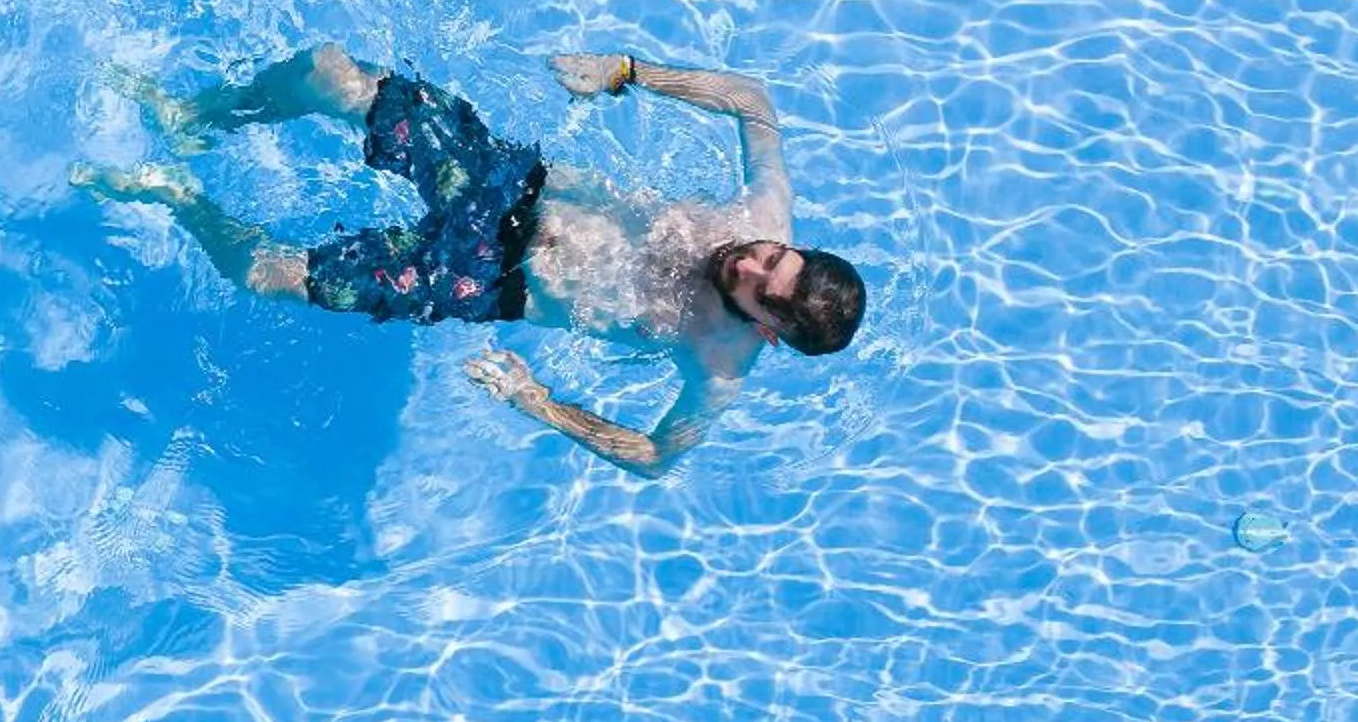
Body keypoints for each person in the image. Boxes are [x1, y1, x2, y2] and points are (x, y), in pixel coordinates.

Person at [75, 46, 865, 476]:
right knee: (329, 72)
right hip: (506, 181)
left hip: (482, 280)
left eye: (762, 292)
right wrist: (627, 74)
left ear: (768, 333)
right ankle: (200, 118)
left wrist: (539, 402)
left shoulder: (718, 361)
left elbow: (657, 455)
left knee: (264, 275)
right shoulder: (763, 213)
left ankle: (175, 196)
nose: (749, 265)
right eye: (773, 258)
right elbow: (755, 101)